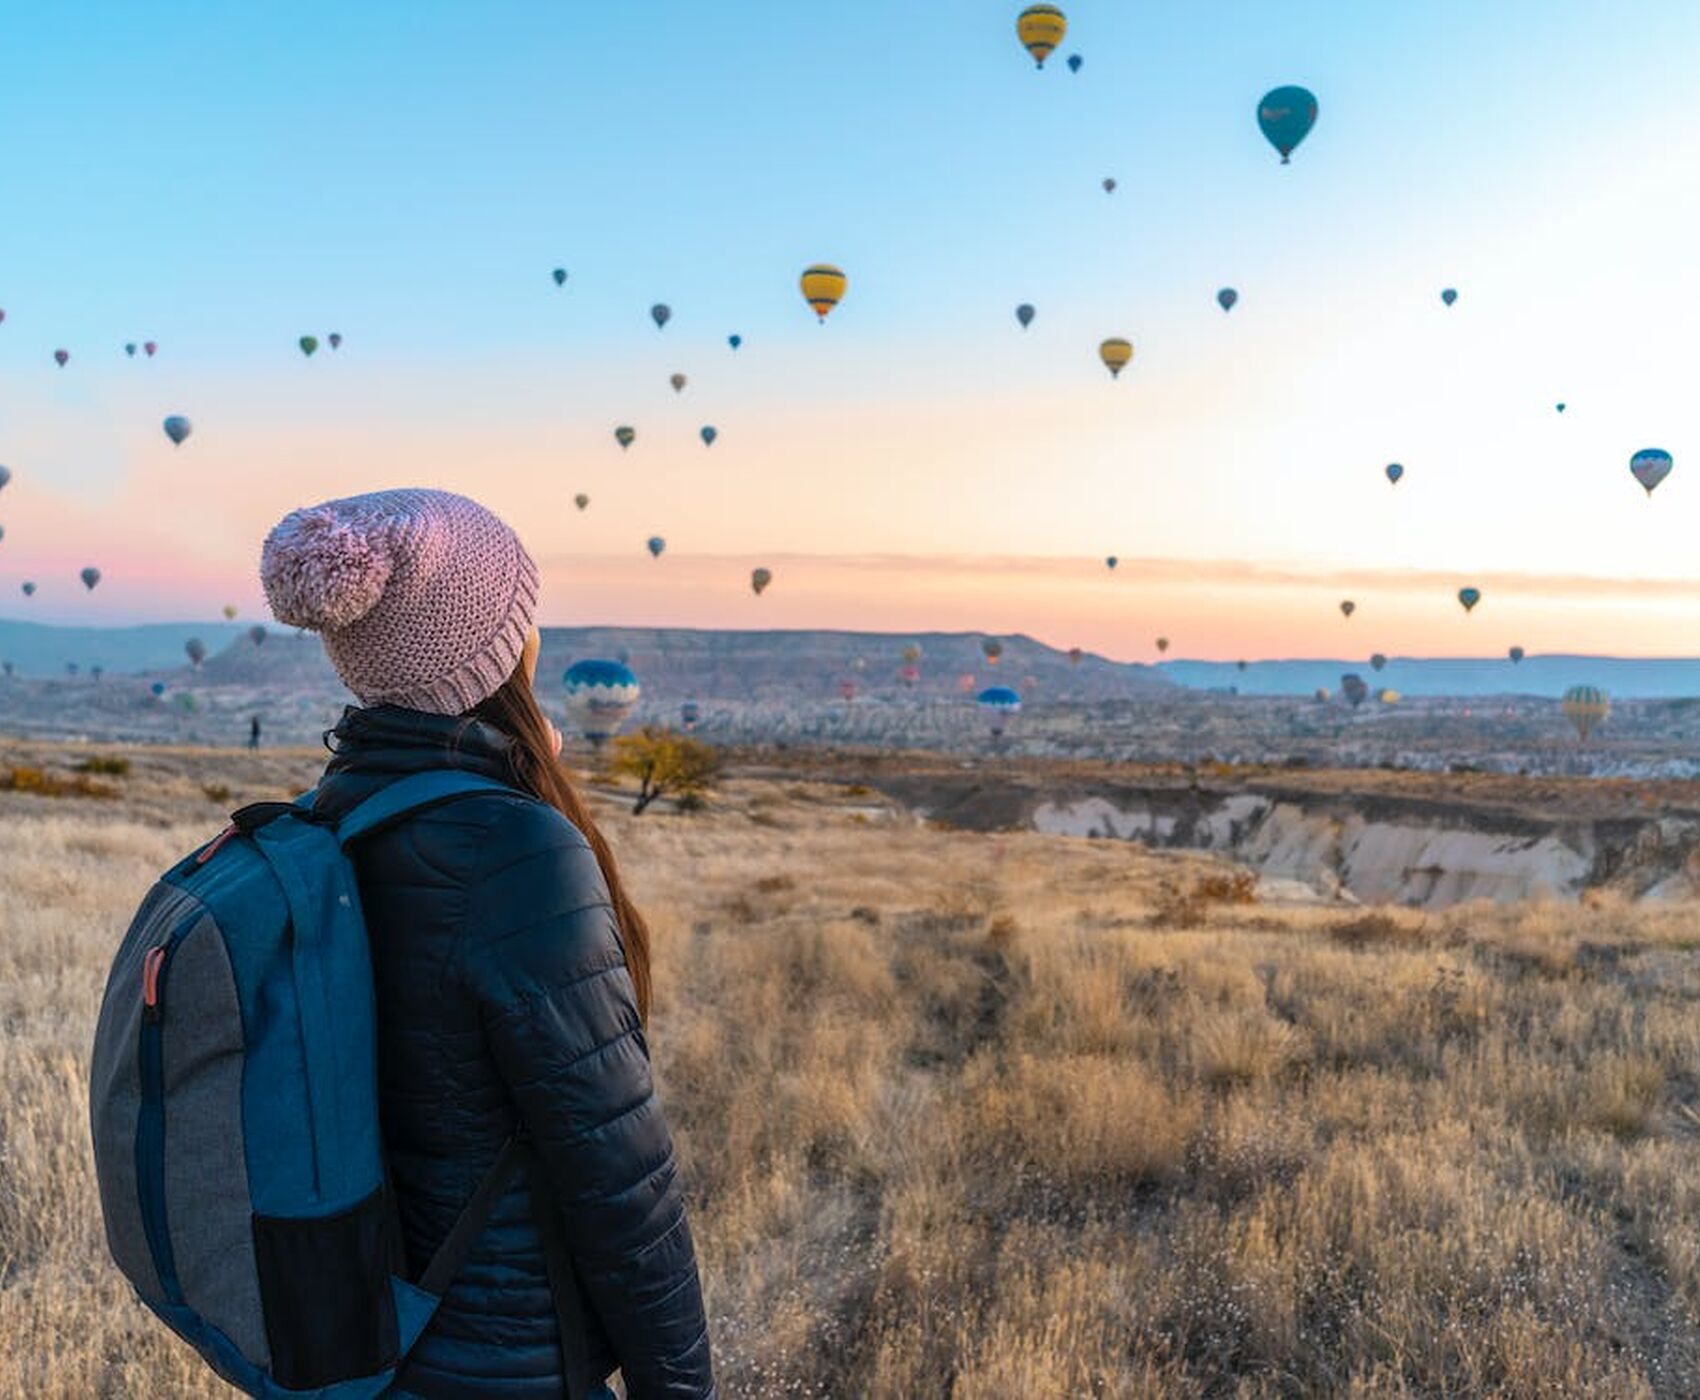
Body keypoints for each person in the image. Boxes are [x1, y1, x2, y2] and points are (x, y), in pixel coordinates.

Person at [260, 488, 714, 1400]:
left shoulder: (331, 817)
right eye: (524, 614)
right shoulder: (512, 849)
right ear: (500, 650)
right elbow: (618, 1168)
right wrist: (681, 1384)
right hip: (503, 1354)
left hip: (363, 1341)